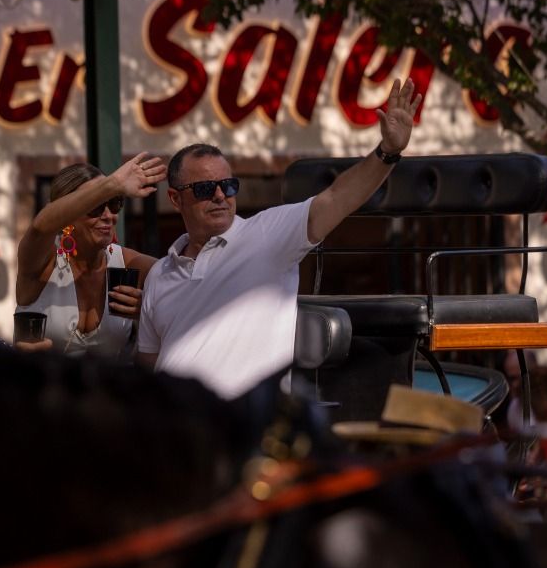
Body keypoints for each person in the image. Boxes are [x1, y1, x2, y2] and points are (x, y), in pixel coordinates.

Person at [136, 79, 422, 398]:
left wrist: (387, 152)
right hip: (175, 430)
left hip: (245, 425)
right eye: (205, 189)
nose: (220, 196)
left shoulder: (267, 234)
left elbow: (337, 198)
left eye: (228, 186)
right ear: (175, 200)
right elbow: (149, 366)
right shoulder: (160, 274)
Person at [14, 154, 166, 357]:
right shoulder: (44, 262)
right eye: (95, 206)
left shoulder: (131, 264)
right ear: (66, 213)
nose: (108, 215)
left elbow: (186, 300)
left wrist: (150, 313)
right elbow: (40, 227)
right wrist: (114, 183)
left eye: (114, 204)